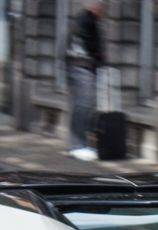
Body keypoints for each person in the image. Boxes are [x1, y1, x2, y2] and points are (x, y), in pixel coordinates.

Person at [65, 1, 105, 161]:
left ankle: (81, 144)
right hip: (81, 67)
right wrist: (99, 56)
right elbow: (92, 44)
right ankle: (77, 145)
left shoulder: (82, 19)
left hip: (79, 66)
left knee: (84, 106)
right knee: (83, 106)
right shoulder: (87, 21)